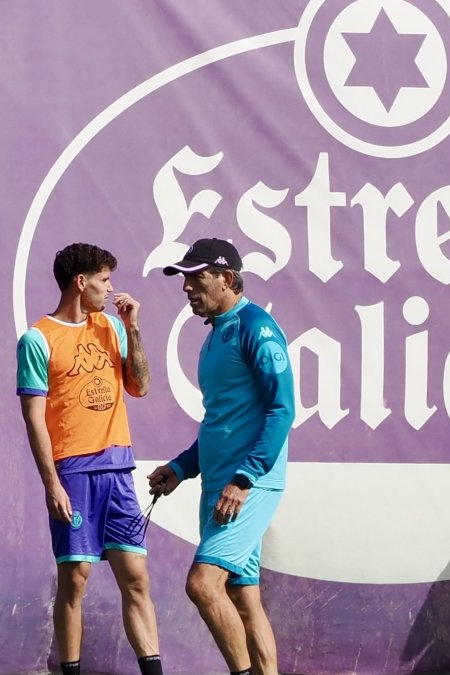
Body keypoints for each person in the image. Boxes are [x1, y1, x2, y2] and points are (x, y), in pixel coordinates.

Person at [148, 237, 294, 675]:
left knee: (203, 584)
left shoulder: (256, 327)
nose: (186, 287)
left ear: (227, 278)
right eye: (184, 278)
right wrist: (181, 467)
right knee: (243, 599)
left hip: (246, 486)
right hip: (219, 484)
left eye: (196, 278)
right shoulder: (215, 336)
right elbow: (221, 421)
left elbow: (282, 409)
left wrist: (245, 479)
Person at [16, 243, 163, 675]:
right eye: (104, 280)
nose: (111, 289)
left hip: (118, 469)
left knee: (136, 577)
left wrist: (133, 329)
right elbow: (34, 419)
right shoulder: (37, 339)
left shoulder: (112, 327)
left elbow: (141, 386)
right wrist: (52, 484)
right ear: (81, 283)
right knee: (76, 578)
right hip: (74, 473)